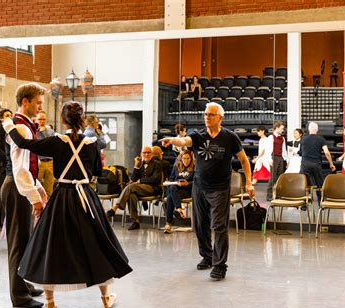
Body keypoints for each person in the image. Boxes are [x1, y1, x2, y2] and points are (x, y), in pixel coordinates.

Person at [3, 100, 132, 308]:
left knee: (50, 247)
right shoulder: (93, 143)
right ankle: (105, 297)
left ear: (62, 119)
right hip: (85, 198)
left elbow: (24, 143)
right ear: (82, 119)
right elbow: (98, 173)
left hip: (61, 198)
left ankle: (50, 304)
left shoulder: (56, 141)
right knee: (97, 244)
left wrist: (8, 125)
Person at [161, 102, 255, 281]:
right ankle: (208, 255)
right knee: (199, 225)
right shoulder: (197, 135)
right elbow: (185, 141)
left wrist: (249, 182)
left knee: (219, 227)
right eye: (205, 114)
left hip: (219, 188)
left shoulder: (230, 137)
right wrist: (173, 140)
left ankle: (220, 265)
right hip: (199, 187)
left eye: (211, 114)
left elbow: (243, 160)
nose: (207, 117)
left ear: (220, 117)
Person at [0, 83, 47, 308]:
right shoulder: (23, 128)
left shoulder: (23, 126)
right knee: (18, 243)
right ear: (25, 101)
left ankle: (25, 285)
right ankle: (19, 295)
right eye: (38, 102)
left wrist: (37, 187)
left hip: (20, 186)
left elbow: (28, 165)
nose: (40, 107)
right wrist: (33, 195)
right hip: (16, 187)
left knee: (25, 239)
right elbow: (19, 168)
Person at [106, 146, 162, 231]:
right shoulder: (140, 164)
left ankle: (115, 207)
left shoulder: (156, 163)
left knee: (131, 186)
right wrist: (136, 165)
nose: (146, 154)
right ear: (141, 154)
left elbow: (156, 179)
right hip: (139, 189)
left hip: (153, 188)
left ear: (152, 154)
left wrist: (140, 181)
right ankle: (135, 221)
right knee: (132, 195)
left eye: (148, 152)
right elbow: (132, 179)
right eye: (144, 153)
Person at [299, 122, 336, 203]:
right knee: (319, 184)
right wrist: (331, 163)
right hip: (316, 164)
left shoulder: (303, 139)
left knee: (304, 183)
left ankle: (303, 203)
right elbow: (327, 152)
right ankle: (321, 202)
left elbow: (301, 152)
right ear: (317, 130)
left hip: (305, 164)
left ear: (309, 129)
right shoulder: (321, 139)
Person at [164, 150, 195, 234]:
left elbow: (197, 181)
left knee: (171, 195)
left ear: (191, 159)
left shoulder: (194, 167)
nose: (186, 160)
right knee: (172, 190)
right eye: (184, 158)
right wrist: (169, 182)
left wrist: (188, 183)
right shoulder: (176, 167)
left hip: (187, 191)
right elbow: (171, 179)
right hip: (176, 190)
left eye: (188, 158)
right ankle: (179, 209)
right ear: (181, 159)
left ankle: (168, 223)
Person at [36, 111, 56, 199]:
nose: (42, 121)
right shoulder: (33, 131)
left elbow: (51, 143)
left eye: (44, 119)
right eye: (40, 119)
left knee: (49, 190)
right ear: (36, 120)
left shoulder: (50, 132)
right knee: (36, 188)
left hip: (50, 162)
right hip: (38, 162)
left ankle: (47, 210)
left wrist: (44, 132)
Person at [266, 121, 288, 201]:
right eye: (281, 128)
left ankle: (278, 195)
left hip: (280, 158)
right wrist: (269, 159)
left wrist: (287, 160)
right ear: (277, 128)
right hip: (273, 157)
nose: (283, 130)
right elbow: (267, 150)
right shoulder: (271, 137)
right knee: (273, 177)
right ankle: (269, 196)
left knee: (279, 178)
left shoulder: (282, 138)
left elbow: (284, 150)